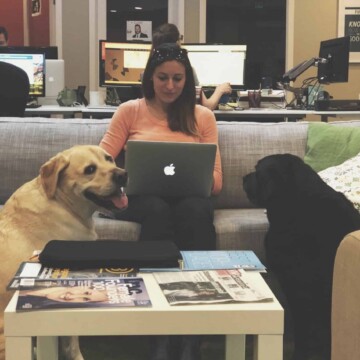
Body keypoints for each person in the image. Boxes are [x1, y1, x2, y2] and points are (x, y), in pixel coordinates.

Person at [100, 42, 222, 360]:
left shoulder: (203, 117)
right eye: (163, 77)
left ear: (187, 80)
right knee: (156, 209)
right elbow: (102, 163)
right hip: (143, 200)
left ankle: (193, 332)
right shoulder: (130, 111)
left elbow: (217, 182)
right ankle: (157, 332)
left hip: (189, 199)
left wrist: (197, 174)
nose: (170, 86)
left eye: (178, 79)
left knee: (194, 210)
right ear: (150, 78)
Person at [151, 23, 232, 110]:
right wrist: (220, 90)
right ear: (177, 43)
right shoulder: (185, 71)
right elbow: (207, 107)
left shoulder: (147, 72)